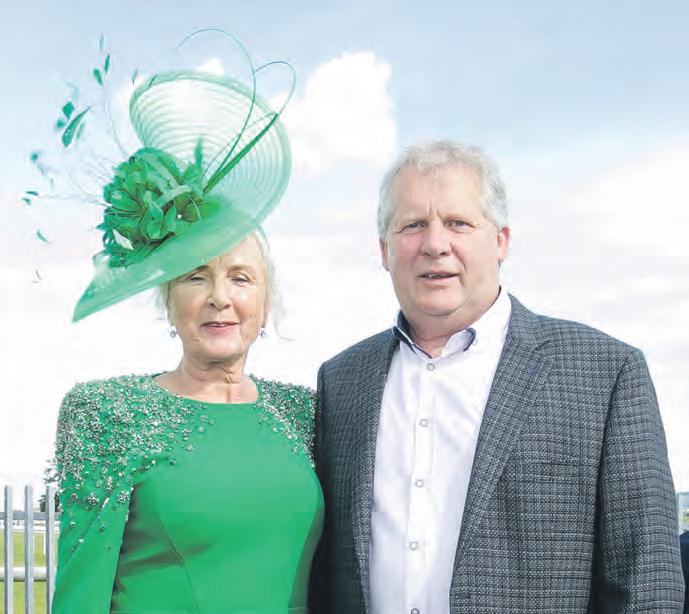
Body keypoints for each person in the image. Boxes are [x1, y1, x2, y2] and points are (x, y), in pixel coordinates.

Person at [311, 140, 684, 613]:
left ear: (501, 241)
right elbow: (327, 573)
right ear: (384, 250)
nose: (435, 244)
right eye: (413, 225)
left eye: (458, 223)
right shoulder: (342, 381)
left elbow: (647, 582)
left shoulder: (606, 373)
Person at [52, 40, 322, 614]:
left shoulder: (305, 414)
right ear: (168, 299)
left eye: (241, 278)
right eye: (196, 276)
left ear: (266, 301)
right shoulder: (107, 415)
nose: (220, 297)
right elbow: (80, 594)